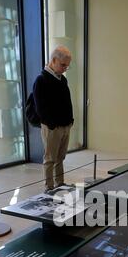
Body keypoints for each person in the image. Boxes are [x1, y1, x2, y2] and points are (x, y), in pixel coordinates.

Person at [33, 45, 74, 192]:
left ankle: (60, 183)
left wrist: (70, 120)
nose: (64, 68)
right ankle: (49, 187)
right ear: (54, 60)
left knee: (60, 157)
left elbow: (67, 101)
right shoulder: (41, 80)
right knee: (50, 158)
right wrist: (51, 124)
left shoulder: (62, 80)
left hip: (65, 125)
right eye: (63, 65)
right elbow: (40, 107)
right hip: (52, 127)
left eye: (67, 66)